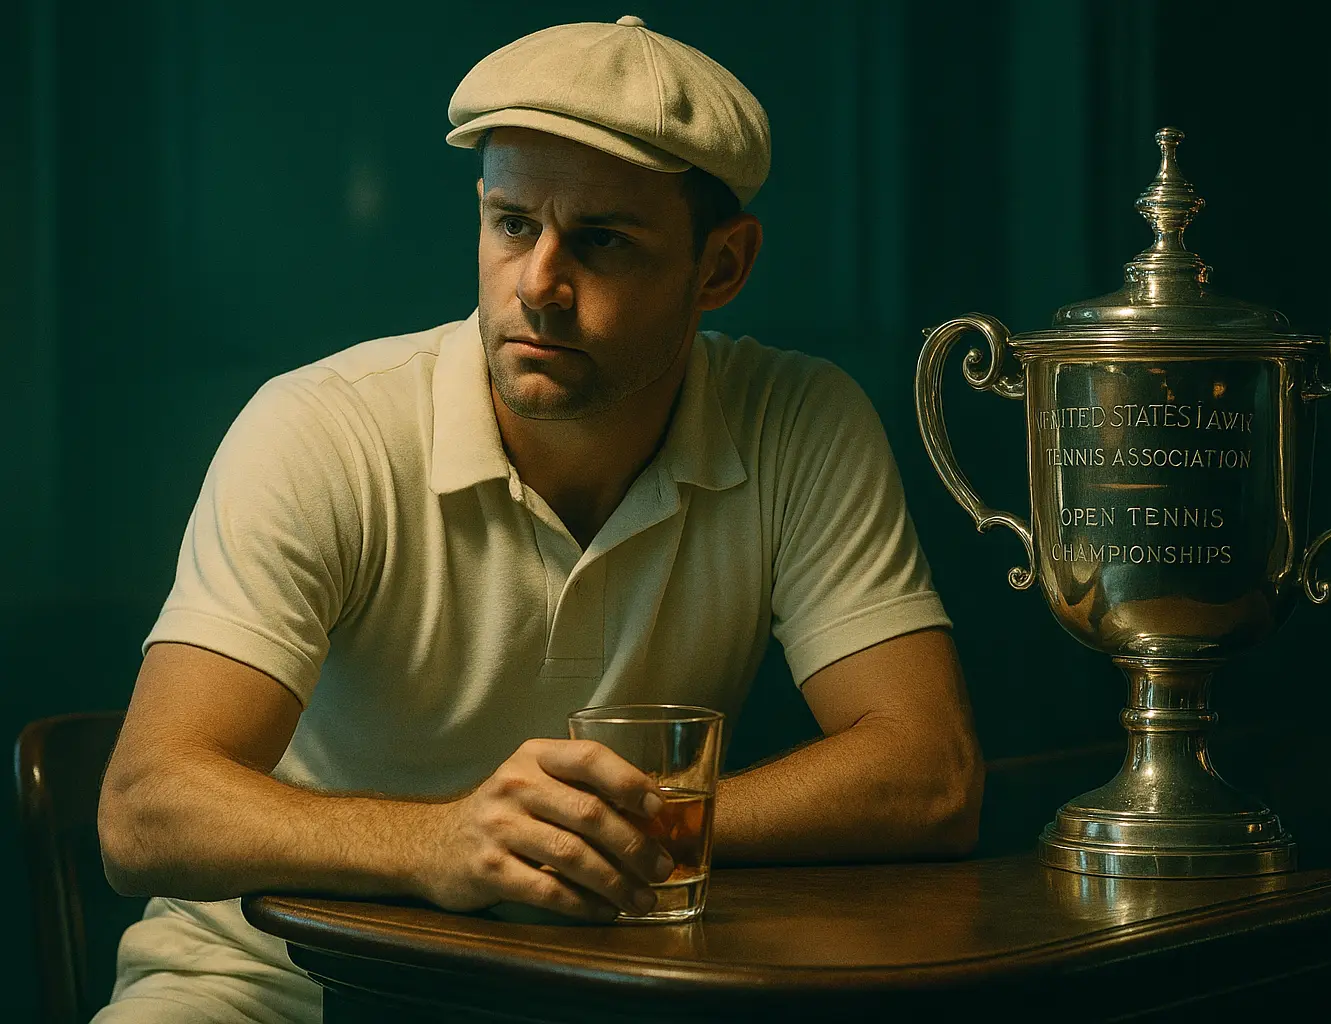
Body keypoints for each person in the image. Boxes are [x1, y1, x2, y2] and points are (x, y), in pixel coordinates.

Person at [94, 15, 982, 1023]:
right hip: (265, 983)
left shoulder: (798, 419)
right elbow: (142, 807)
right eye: (513, 223)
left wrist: (603, 831)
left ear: (721, 268)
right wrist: (440, 841)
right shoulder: (321, 430)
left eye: (602, 240)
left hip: (604, 987)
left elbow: (930, 774)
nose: (538, 285)